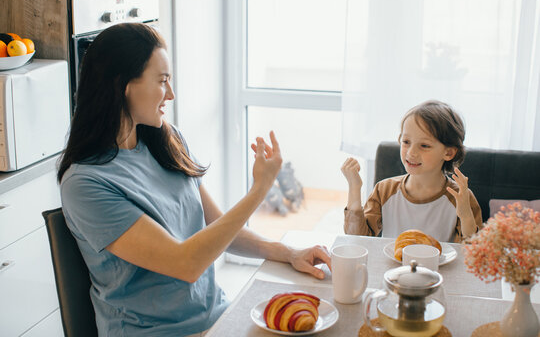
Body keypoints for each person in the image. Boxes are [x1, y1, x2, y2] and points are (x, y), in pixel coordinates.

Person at [57, 23, 331, 337]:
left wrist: (288, 253)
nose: (171, 94)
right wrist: (259, 190)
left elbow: (220, 229)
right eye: (162, 81)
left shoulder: (165, 141)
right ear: (123, 86)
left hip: (217, 319)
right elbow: (185, 264)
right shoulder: (86, 183)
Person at [341, 100, 482, 242]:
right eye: (406, 142)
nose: (411, 153)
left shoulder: (461, 197)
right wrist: (354, 187)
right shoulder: (384, 190)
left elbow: (472, 253)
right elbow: (358, 239)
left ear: (449, 153)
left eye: (424, 145)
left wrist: (466, 216)